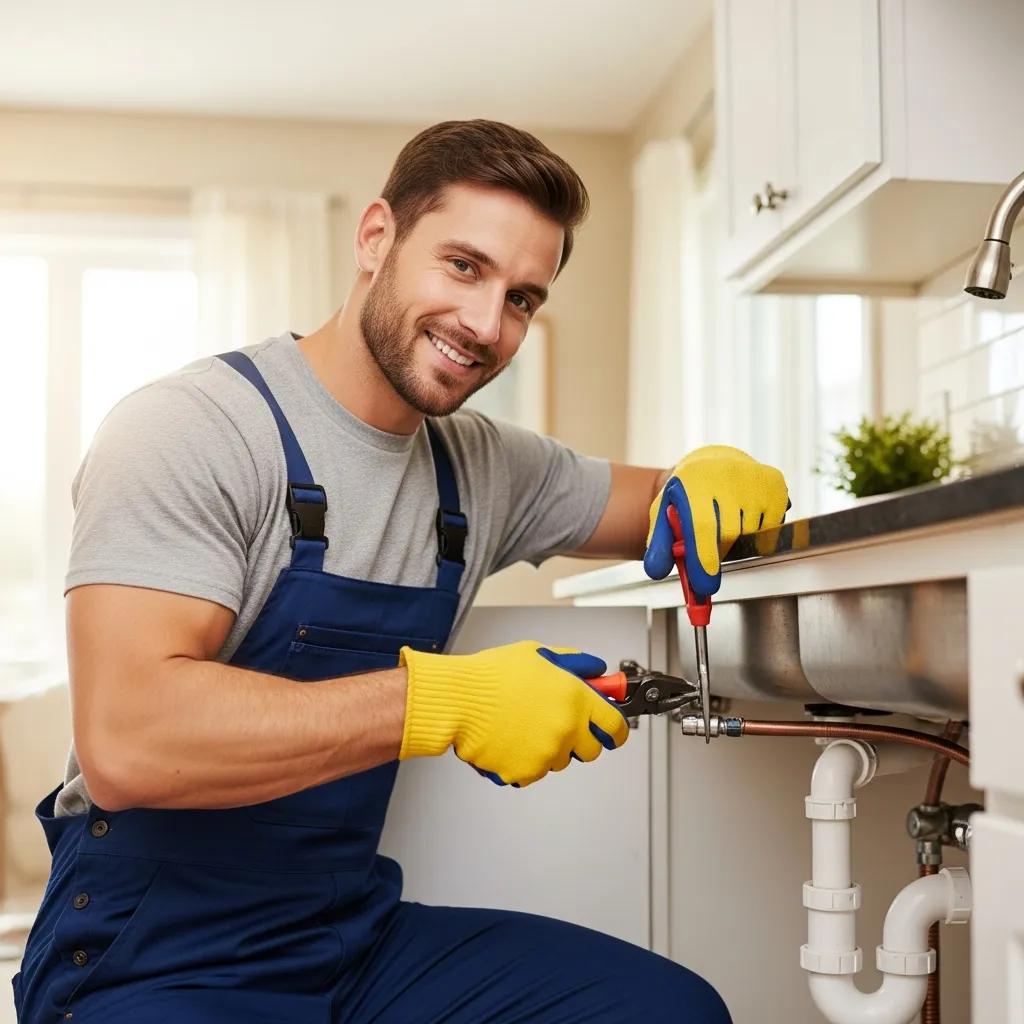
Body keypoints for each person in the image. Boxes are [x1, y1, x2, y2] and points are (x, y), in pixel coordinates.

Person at [14, 120, 788, 1023]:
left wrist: (714, 472)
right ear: (377, 238)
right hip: (149, 960)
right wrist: (445, 703)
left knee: (667, 1011)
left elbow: (662, 499)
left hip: (348, 939)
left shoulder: (482, 468)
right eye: (464, 266)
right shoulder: (193, 428)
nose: (486, 325)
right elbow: (128, 742)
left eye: (524, 298)